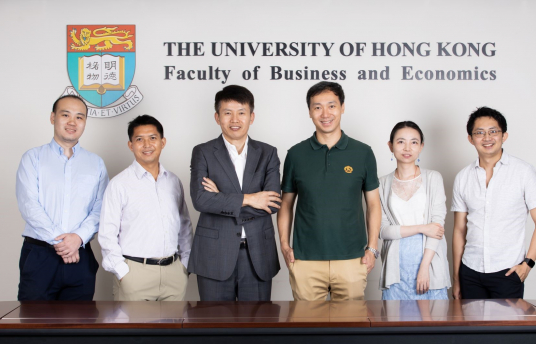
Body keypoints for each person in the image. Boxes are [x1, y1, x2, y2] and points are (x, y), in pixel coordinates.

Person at [277, 81, 381, 301]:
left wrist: (372, 248)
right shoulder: (295, 154)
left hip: (352, 260)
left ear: (342, 107)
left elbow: (373, 204)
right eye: (317, 107)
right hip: (305, 261)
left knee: (350, 331)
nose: (325, 113)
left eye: (331, 106)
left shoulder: (363, 153)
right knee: (306, 331)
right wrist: (285, 246)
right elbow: (285, 204)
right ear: (309, 112)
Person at [189, 85, 281, 301]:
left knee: (257, 327)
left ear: (252, 116)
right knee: (214, 326)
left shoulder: (268, 153)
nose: (235, 119)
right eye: (227, 113)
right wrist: (250, 199)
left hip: (257, 252)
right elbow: (201, 200)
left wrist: (220, 197)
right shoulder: (202, 152)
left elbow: (272, 204)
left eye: (241, 112)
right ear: (217, 116)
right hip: (214, 253)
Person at [16, 94, 108, 300]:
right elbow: (29, 204)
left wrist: (78, 238)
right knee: (33, 327)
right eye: (65, 115)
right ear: (52, 117)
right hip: (40, 255)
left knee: (78, 328)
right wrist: (63, 243)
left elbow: (101, 207)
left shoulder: (96, 163)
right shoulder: (33, 158)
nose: (72, 122)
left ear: (85, 122)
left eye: (79, 117)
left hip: (80, 256)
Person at [451, 107, 536, 299]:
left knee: (507, 329)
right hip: (470, 271)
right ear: (471, 139)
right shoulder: (463, 177)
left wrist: (527, 264)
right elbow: (459, 231)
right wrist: (457, 278)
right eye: (479, 133)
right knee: (471, 328)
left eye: (493, 131)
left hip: (508, 271)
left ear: (504, 135)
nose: (487, 138)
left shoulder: (524, 172)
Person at [99, 115, 192, 301]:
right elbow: (107, 234)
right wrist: (123, 272)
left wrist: (184, 265)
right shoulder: (119, 184)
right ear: (130, 145)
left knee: (174, 329)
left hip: (173, 274)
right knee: (135, 331)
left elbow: (184, 226)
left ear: (163, 142)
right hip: (134, 274)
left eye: (153, 138)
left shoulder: (173, 181)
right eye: (139, 139)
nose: (147, 144)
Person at [378, 121, 450, 300]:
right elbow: (383, 231)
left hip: (430, 264)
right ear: (390, 146)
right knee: (395, 324)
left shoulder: (433, 178)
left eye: (414, 142)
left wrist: (425, 267)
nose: (407, 148)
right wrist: (422, 228)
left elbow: (437, 226)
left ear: (421, 146)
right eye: (401, 141)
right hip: (396, 268)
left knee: (434, 323)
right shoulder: (381, 184)